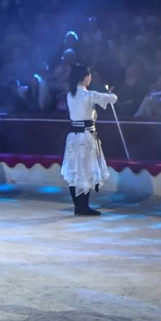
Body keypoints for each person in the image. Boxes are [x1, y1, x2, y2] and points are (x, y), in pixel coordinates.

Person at [60, 64, 117, 216]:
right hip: (86, 138)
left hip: (73, 137)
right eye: (89, 76)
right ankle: (83, 207)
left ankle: (78, 206)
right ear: (85, 77)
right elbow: (113, 98)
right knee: (85, 172)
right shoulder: (88, 95)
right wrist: (108, 92)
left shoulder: (70, 95)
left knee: (75, 173)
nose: (90, 78)